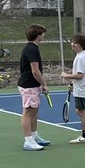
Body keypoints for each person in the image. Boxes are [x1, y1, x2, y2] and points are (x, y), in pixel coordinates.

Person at [17, 24, 52, 152]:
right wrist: (44, 84)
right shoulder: (31, 49)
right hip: (28, 85)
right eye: (42, 33)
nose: (44, 35)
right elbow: (35, 71)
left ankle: (34, 136)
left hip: (33, 85)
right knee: (28, 112)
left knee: (34, 112)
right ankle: (28, 141)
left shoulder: (33, 48)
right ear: (38, 35)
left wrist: (39, 84)